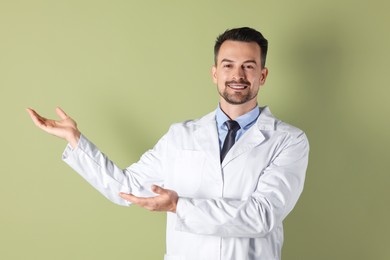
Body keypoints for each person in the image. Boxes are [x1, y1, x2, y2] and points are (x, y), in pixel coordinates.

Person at [27, 27, 309, 260]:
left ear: (262, 75)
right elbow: (125, 188)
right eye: (228, 66)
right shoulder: (180, 136)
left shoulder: (288, 140)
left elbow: (261, 216)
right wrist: (75, 140)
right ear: (214, 74)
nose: (238, 76)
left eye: (248, 66)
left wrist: (179, 207)